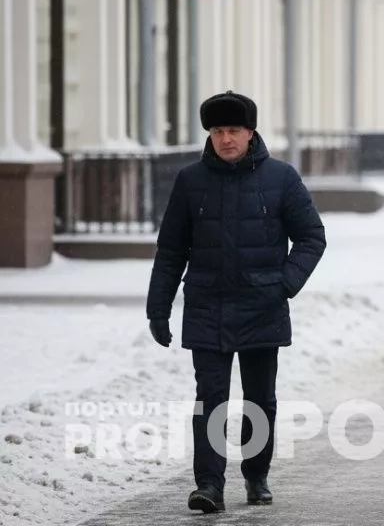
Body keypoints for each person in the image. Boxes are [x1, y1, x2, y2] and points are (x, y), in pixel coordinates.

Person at [146, 91, 326, 514]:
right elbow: (171, 249)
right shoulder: (191, 181)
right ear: (210, 134)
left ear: (250, 133)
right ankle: (209, 484)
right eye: (218, 131)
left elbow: (311, 237)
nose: (226, 139)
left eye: (234, 131)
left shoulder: (281, 178)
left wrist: (284, 283)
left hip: (263, 305)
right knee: (210, 399)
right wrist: (158, 306)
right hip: (208, 305)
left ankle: (256, 474)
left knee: (259, 400)